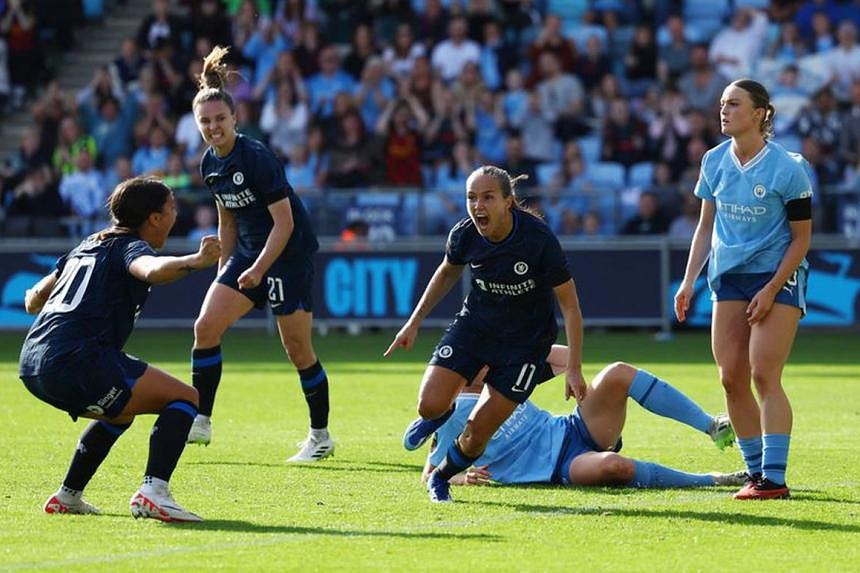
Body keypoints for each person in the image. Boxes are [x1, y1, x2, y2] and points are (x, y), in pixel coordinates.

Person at [18, 177, 221, 521]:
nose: (176, 213)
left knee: (120, 412)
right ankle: (154, 492)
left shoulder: (87, 245)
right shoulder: (131, 246)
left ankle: (68, 496)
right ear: (154, 218)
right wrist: (198, 260)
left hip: (32, 363)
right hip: (78, 359)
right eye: (172, 207)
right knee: (187, 398)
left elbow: (33, 300)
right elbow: (151, 271)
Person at [385, 165, 586, 503]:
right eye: (471, 198)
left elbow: (570, 307)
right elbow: (446, 273)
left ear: (508, 201)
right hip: (475, 328)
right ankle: (440, 417)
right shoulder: (464, 234)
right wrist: (414, 321)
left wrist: (576, 368)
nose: (478, 206)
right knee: (429, 404)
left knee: (478, 433)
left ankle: (441, 477)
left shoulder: (538, 240)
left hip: (524, 346)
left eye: (488, 197)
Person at [188, 46, 335, 462]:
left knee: (298, 350)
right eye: (206, 122)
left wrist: (258, 270)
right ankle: (201, 419)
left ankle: (320, 436)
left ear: (235, 119)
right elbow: (227, 221)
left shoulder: (257, 158)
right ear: (197, 125)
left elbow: (285, 224)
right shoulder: (209, 164)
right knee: (205, 327)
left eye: (220, 119)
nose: (214, 127)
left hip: (286, 253)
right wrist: (224, 274)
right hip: (250, 252)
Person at [674, 79, 814, 500]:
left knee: (762, 373)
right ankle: (756, 475)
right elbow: (704, 228)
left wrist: (772, 289)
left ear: (759, 114)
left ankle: (774, 478)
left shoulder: (789, 167)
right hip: (728, 277)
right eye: (721, 104)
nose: (724, 110)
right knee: (730, 378)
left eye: (734, 104)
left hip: (777, 272)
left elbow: (802, 239)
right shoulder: (713, 161)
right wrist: (688, 280)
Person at [415, 345, 743, 490]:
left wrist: (522, 350)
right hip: (560, 465)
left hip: (573, 427)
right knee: (617, 467)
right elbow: (429, 474)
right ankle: (712, 479)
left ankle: (711, 426)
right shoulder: (451, 414)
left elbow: (568, 358)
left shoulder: (503, 377)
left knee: (617, 373)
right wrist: (462, 477)